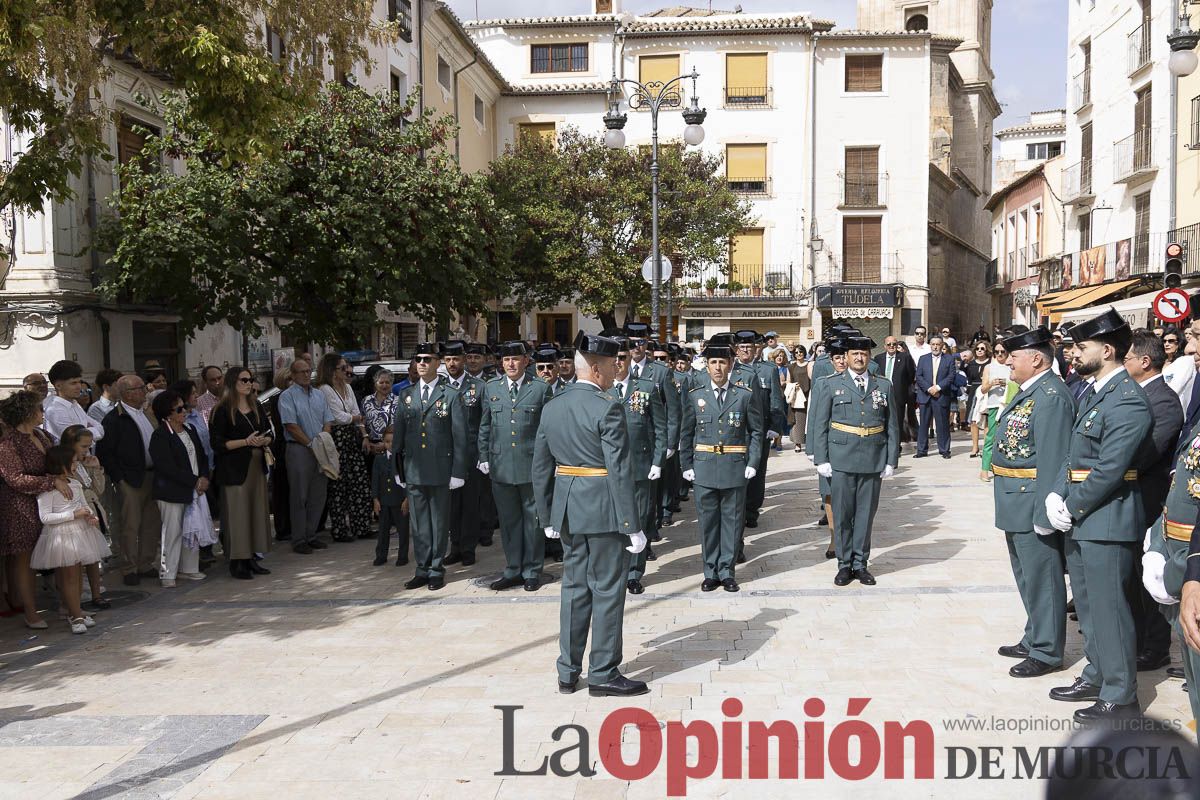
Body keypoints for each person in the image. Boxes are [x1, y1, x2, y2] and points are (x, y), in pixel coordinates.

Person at [1045, 308, 1154, 722]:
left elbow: (1110, 467)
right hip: (1085, 517)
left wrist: (1071, 505)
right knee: (1089, 608)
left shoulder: (1127, 400)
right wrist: (1057, 494)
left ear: (1106, 350)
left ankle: (1121, 694)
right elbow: (1075, 455)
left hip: (1107, 518)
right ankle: (1097, 673)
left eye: (1082, 346)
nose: (1074, 353)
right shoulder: (1093, 391)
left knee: (1110, 609)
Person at [532, 332, 648, 697]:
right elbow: (618, 468)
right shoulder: (607, 406)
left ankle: (568, 671)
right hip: (601, 508)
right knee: (608, 590)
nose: (617, 372)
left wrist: (547, 515)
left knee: (574, 588)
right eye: (613, 366)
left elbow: (540, 466)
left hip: (567, 508)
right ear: (597, 369)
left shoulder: (553, 405)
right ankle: (602, 672)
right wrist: (631, 524)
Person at [988, 326, 1073, 679]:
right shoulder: (1032, 391)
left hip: (1030, 501)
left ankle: (1048, 650)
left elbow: (1054, 459)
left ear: (1036, 358)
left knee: (1043, 579)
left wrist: (1044, 513)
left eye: (1014, 356)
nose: (1008, 361)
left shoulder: (1051, 395)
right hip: (1013, 500)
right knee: (1027, 577)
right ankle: (1034, 635)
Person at [810, 334, 900, 586]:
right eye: (854, 354)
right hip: (841, 458)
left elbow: (891, 425)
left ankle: (861, 564)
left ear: (869, 357)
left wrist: (891, 459)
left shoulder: (883, 385)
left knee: (865, 515)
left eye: (864, 354)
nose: (859, 358)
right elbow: (820, 425)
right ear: (846, 358)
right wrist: (821, 458)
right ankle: (843, 564)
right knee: (842, 513)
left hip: (872, 457)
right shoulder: (830, 384)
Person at [680, 338, 763, 593]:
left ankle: (727, 571)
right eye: (713, 362)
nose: (717, 367)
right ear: (706, 366)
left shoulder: (744, 395)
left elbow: (757, 431)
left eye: (722, 362)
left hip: (734, 466)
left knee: (732, 521)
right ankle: (710, 571)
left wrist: (753, 461)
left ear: (731, 364)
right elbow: (686, 432)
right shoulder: (696, 396)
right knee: (707, 523)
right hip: (704, 466)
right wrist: (686, 463)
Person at [1123, 330, 1183, 672]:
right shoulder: (1134, 394)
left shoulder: (1163, 400)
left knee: (1149, 575)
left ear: (1145, 362)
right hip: (1130, 500)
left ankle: (1156, 646)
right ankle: (1138, 637)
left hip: (1148, 499)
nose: (1124, 363)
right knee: (1132, 573)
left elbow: (1145, 453)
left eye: (1128, 357)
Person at [392, 342, 468, 591]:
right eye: (418, 359)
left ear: (438, 363)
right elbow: (399, 437)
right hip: (414, 470)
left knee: (438, 522)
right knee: (419, 524)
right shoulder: (406, 395)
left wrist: (458, 471)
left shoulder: (451, 395)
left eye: (427, 359)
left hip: (440, 469)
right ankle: (422, 568)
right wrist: (398, 469)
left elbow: (460, 436)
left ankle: (436, 568)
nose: (422, 363)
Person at [479, 341, 553, 591]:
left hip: (531, 465)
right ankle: (512, 569)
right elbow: (485, 426)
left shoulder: (540, 388)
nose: (510, 364)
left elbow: (548, 430)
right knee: (509, 522)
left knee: (532, 521)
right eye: (506, 359)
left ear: (526, 361)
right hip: (501, 466)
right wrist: (484, 456)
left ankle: (532, 570)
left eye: (515, 359)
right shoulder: (491, 388)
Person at [0, 391, 71, 629]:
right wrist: (52, 482)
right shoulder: (8, 443)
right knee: (25, 559)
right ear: (26, 413)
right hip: (21, 507)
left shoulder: (43, 434)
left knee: (59, 551)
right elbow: (15, 478)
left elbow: (59, 456)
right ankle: (31, 612)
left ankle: (67, 604)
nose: (43, 412)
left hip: (49, 501)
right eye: (39, 408)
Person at [31, 444, 109, 634]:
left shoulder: (75, 484)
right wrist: (73, 515)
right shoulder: (47, 490)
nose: (76, 464)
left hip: (81, 533)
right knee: (70, 578)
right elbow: (46, 518)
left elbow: (83, 504)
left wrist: (89, 514)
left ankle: (75, 611)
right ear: (60, 464)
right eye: (73, 461)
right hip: (62, 537)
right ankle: (75, 615)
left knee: (77, 576)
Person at [611, 337, 666, 595]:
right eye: (615, 358)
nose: (619, 362)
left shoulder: (645, 387)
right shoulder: (600, 389)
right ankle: (614, 571)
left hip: (640, 465)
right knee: (612, 521)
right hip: (609, 469)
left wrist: (658, 460)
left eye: (623, 357)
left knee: (639, 519)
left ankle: (634, 573)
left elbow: (659, 427)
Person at [209, 367, 273, 581]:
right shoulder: (222, 410)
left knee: (255, 512)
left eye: (250, 379)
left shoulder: (256, 406)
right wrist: (245, 442)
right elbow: (217, 443)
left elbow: (269, 431)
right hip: (234, 469)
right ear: (232, 383)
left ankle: (252, 556)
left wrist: (265, 440)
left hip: (256, 467)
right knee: (237, 515)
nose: (249, 383)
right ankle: (238, 561)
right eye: (244, 380)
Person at [97, 375, 162, 585]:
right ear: (127, 393)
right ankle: (129, 567)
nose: (145, 390)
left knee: (151, 523)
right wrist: (120, 479)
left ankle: (145, 563)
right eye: (140, 388)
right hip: (130, 479)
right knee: (130, 525)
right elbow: (106, 453)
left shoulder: (147, 413)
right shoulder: (113, 418)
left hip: (153, 475)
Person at [148, 390, 209, 587]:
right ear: (168, 414)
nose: (185, 411)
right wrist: (194, 481)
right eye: (179, 408)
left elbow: (202, 456)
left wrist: (204, 477)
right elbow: (166, 466)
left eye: (184, 407)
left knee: (192, 527)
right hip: (171, 491)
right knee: (172, 531)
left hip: (194, 488)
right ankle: (167, 572)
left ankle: (189, 568)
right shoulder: (160, 436)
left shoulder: (189, 429)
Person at [278, 358, 334, 554]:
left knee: (318, 494)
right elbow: (291, 425)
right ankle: (299, 539)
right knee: (299, 496)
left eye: (308, 371)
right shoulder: (287, 396)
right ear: (292, 375)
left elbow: (328, 420)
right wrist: (311, 444)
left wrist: (323, 440)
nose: (305, 374)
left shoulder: (319, 395)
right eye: (301, 371)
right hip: (299, 450)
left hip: (320, 449)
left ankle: (312, 535)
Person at [316, 353, 372, 542]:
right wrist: (354, 418)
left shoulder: (347, 387)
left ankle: (361, 526)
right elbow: (336, 416)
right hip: (337, 438)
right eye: (342, 368)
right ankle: (339, 530)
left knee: (360, 483)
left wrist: (364, 434)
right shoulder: (325, 389)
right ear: (332, 370)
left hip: (352, 436)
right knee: (338, 486)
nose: (346, 371)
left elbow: (356, 412)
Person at [443, 341, 487, 567]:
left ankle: (468, 548)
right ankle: (455, 547)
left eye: (456, 359)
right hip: (446, 456)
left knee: (470, 504)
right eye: (448, 360)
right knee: (451, 505)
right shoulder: (440, 387)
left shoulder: (478, 387)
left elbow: (484, 423)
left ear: (463, 359)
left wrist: (483, 455)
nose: (452, 363)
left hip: (470, 455)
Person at [371, 426, 409, 566]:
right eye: (387, 441)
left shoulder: (404, 459)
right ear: (383, 442)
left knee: (403, 530)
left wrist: (407, 499)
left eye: (393, 441)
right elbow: (375, 480)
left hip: (400, 500)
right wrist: (375, 499)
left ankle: (402, 556)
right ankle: (381, 555)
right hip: (384, 501)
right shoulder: (379, 460)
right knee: (383, 530)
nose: (390, 444)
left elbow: (407, 480)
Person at [42, 360, 105, 444]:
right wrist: (88, 429)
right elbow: (76, 440)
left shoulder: (74, 404)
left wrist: (86, 431)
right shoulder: (55, 410)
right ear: (58, 386)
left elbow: (100, 429)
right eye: (73, 383)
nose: (79, 386)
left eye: (79, 382)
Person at [914, 334, 955, 459]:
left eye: (938, 344)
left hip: (941, 395)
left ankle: (944, 450)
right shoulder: (923, 358)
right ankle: (921, 450)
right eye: (933, 344)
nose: (935, 347)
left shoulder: (949, 359)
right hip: (925, 396)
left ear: (942, 345)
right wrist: (929, 389)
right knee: (923, 425)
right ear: (930, 345)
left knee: (942, 425)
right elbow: (919, 376)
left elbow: (951, 376)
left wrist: (937, 388)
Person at [977, 340, 1013, 480]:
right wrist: (992, 383)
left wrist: (1007, 383)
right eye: (996, 352)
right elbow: (983, 388)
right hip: (994, 405)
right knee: (991, 437)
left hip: (1009, 404)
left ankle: (1004, 467)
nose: (999, 354)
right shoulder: (989, 367)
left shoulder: (1012, 365)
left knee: (1008, 437)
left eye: (1002, 352)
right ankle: (984, 469)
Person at [266, 366, 293, 542]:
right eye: (289, 379)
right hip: (282, 447)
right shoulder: (278, 399)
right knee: (281, 489)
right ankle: (283, 528)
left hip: (290, 445)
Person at [873, 336, 915, 446]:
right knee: (882, 420)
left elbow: (911, 376)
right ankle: (883, 444)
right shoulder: (878, 358)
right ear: (884, 346)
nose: (891, 346)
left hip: (898, 395)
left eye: (894, 344)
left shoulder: (905, 357)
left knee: (897, 422)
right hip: (881, 394)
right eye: (889, 344)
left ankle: (896, 447)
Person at [1162, 326, 1196, 409]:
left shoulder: (1185, 361)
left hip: (1175, 409)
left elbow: (1175, 388)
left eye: (1171, 341)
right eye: (1164, 341)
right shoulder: (1160, 362)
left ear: (1179, 343)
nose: (1166, 344)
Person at [785, 346, 811, 453]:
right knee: (797, 420)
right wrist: (792, 386)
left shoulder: (809, 364)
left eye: (800, 352)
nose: (798, 354)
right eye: (796, 352)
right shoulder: (791, 366)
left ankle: (809, 443)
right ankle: (797, 443)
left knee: (808, 420)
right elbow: (788, 381)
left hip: (808, 395)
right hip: (797, 397)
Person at [964, 342, 990, 449]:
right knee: (973, 419)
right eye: (977, 348)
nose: (979, 350)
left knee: (986, 419)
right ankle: (975, 447)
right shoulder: (971, 364)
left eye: (982, 348)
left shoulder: (990, 363)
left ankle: (986, 446)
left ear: (986, 350)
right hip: (974, 391)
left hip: (986, 390)